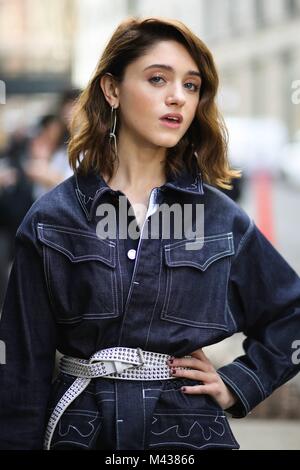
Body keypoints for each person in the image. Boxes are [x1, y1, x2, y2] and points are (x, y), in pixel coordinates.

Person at [0, 16, 299, 451]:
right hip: (81, 435)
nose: (177, 96)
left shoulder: (219, 218)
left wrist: (240, 381)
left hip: (188, 438)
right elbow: (20, 367)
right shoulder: (53, 218)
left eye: (191, 85)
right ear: (112, 89)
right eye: (158, 79)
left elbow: (292, 315)